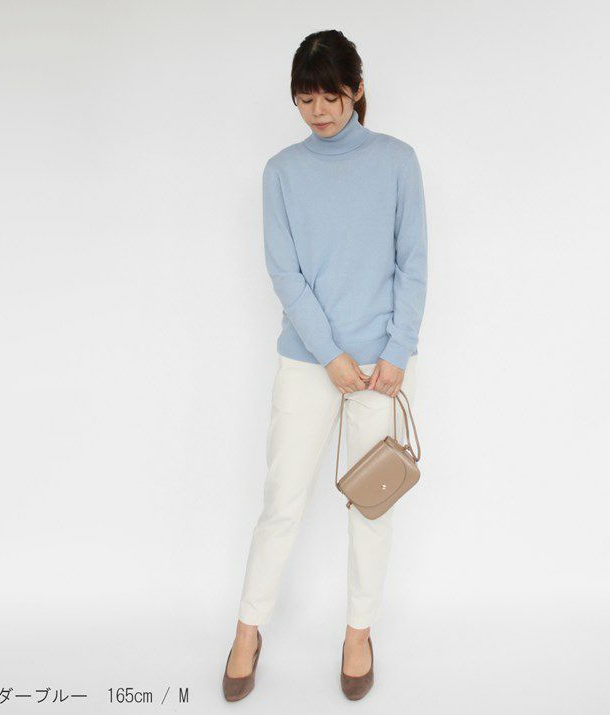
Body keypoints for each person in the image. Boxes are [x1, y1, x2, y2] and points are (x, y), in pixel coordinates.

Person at [222, 29, 428, 702]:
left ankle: (358, 632)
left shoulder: (396, 161)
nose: (318, 111)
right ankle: (248, 628)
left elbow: (412, 262)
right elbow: (285, 273)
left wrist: (395, 351)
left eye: (330, 96)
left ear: (356, 90)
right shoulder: (281, 171)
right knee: (281, 501)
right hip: (308, 362)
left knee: (372, 505)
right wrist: (330, 356)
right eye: (305, 98)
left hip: (381, 369)